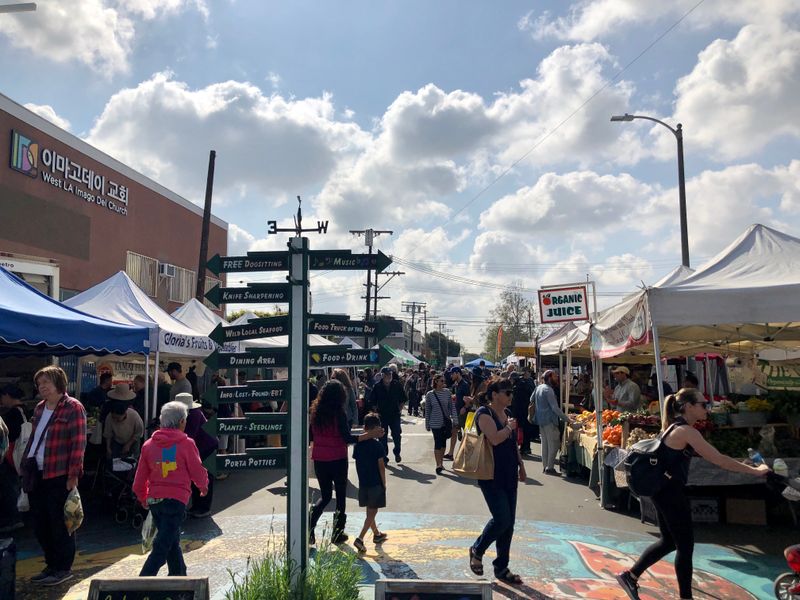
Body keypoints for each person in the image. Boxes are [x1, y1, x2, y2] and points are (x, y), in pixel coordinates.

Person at [616, 388, 770, 600]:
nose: (707, 407)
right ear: (688, 407)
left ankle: (630, 576)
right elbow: (718, 459)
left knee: (669, 542)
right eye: (703, 404)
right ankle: (685, 597)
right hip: (670, 493)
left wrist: (743, 465)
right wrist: (755, 471)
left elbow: (716, 457)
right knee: (685, 546)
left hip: (663, 491)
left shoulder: (675, 427)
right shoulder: (686, 432)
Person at [21, 366, 87, 587]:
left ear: (59, 383)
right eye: (40, 384)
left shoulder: (73, 408)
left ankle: (63, 567)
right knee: (41, 523)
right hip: (38, 472)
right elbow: (34, 438)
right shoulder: (40, 408)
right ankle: (51, 564)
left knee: (61, 523)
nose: (42, 387)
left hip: (59, 473)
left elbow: (78, 444)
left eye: (46, 382)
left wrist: (73, 474)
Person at [133, 401, 208, 577]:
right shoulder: (187, 444)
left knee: (171, 542)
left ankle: (180, 578)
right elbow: (197, 470)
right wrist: (203, 486)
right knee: (161, 549)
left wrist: (143, 497)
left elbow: (140, 478)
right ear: (182, 421)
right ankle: (139, 586)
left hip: (155, 501)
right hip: (176, 501)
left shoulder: (149, 445)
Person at [309, 380, 384, 545]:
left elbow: (311, 436)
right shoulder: (339, 413)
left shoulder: (315, 412)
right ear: (340, 396)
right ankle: (337, 533)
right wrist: (369, 435)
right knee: (340, 497)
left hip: (320, 459)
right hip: (337, 458)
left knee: (326, 495)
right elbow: (347, 438)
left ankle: (310, 525)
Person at [469, 379, 526, 585]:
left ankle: (502, 567)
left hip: (509, 472)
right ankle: (477, 549)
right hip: (491, 474)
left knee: (509, 524)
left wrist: (521, 465)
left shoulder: (507, 415)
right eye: (507, 392)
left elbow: (512, 445)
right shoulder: (484, 413)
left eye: (512, 392)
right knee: (501, 519)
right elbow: (494, 438)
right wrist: (509, 428)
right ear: (494, 394)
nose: (510, 396)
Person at [173, 393, 217, 518]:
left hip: (207, 447)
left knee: (206, 476)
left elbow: (189, 435)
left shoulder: (195, 415)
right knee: (196, 477)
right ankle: (197, 506)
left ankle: (204, 508)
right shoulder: (189, 414)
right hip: (199, 447)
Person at [352, 412, 388, 553]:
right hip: (375, 482)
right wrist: (384, 483)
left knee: (369, 509)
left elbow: (357, 462)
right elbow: (381, 466)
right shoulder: (377, 446)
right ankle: (360, 538)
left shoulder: (358, 445)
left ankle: (377, 534)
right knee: (373, 512)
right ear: (376, 428)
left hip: (363, 482)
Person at [533, 370, 574, 475]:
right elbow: (555, 408)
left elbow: (531, 399)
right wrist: (568, 419)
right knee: (554, 445)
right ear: (549, 377)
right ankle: (550, 467)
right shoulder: (549, 390)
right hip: (550, 421)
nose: (557, 378)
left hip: (541, 421)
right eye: (555, 376)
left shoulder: (538, 387)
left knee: (545, 445)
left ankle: (545, 466)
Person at [0, 384, 26, 532]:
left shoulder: (13, 414)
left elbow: (11, 435)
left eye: (3, 396)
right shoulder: (26, 410)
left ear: (8, 396)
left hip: (12, 456)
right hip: (20, 456)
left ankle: (14, 518)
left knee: (10, 487)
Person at [370, 366, 406, 463]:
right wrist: (376, 412)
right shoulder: (377, 386)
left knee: (397, 435)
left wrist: (400, 409)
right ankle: (384, 456)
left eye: (390, 374)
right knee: (382, 437)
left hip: (394, 414)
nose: (389, 376)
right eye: (386, 374)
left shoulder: (396, 384)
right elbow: (372, 401)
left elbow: (403, 398)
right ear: (382, 375)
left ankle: (397, 452)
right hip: (382, 415)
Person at [425, 373, 458, 475]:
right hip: (435, 422)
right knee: (437, 442)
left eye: (444, 381)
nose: (444, 383)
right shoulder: (430, 394)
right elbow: (427, 410)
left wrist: (455, 419)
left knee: (443, 443)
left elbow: (452, 407)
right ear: (436, 382)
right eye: (441, 381)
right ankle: (438, 464)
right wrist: (427, 424)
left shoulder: (447, 392)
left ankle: (441, 462)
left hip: (445, 422)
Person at [446, 366, 472, 460]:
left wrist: (465, 407)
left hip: (463, 414)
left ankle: (466, 457)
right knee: (454, 432)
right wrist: (454, 397)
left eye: (452, 374)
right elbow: (459, 397)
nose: (451, 376)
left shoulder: (464, 385)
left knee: (465, 435)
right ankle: (451, 453)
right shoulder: (457, 384)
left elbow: (469, 399)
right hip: (457, 413)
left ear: (457, 373)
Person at [510, 372, 535, 455]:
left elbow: (514, 401)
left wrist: (513, 413)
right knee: (526, 429)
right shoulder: (527, 384)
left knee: (520, 429)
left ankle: (522, 447)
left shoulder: (516, 387)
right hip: (527, 409)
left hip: (519, 411)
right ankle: (527, 447)